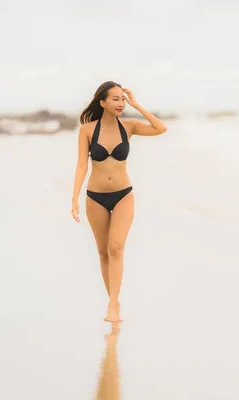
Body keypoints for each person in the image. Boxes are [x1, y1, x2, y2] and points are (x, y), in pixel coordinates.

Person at [71, 81, 167, 322]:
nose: (120, 103)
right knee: (103, 252)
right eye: (115, 99)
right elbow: (82, 165)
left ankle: (113, 305)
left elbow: (160, 128)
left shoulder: (130, 126)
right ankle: (113, 299)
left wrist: (137, 105)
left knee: (116, 247)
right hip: (95, 197)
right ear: (102, 102)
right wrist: (74, 197)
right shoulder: (87, 130)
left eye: (122, 99)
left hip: (123, 194)